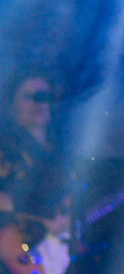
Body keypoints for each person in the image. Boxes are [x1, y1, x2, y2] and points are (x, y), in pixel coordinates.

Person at [0, 70, 72, 274]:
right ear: (11, 105)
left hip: (60, 256)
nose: (38, 104)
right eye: (28, 97)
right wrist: (43, 217)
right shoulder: (5, 150)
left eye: (44, 97)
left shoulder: (62, 153)